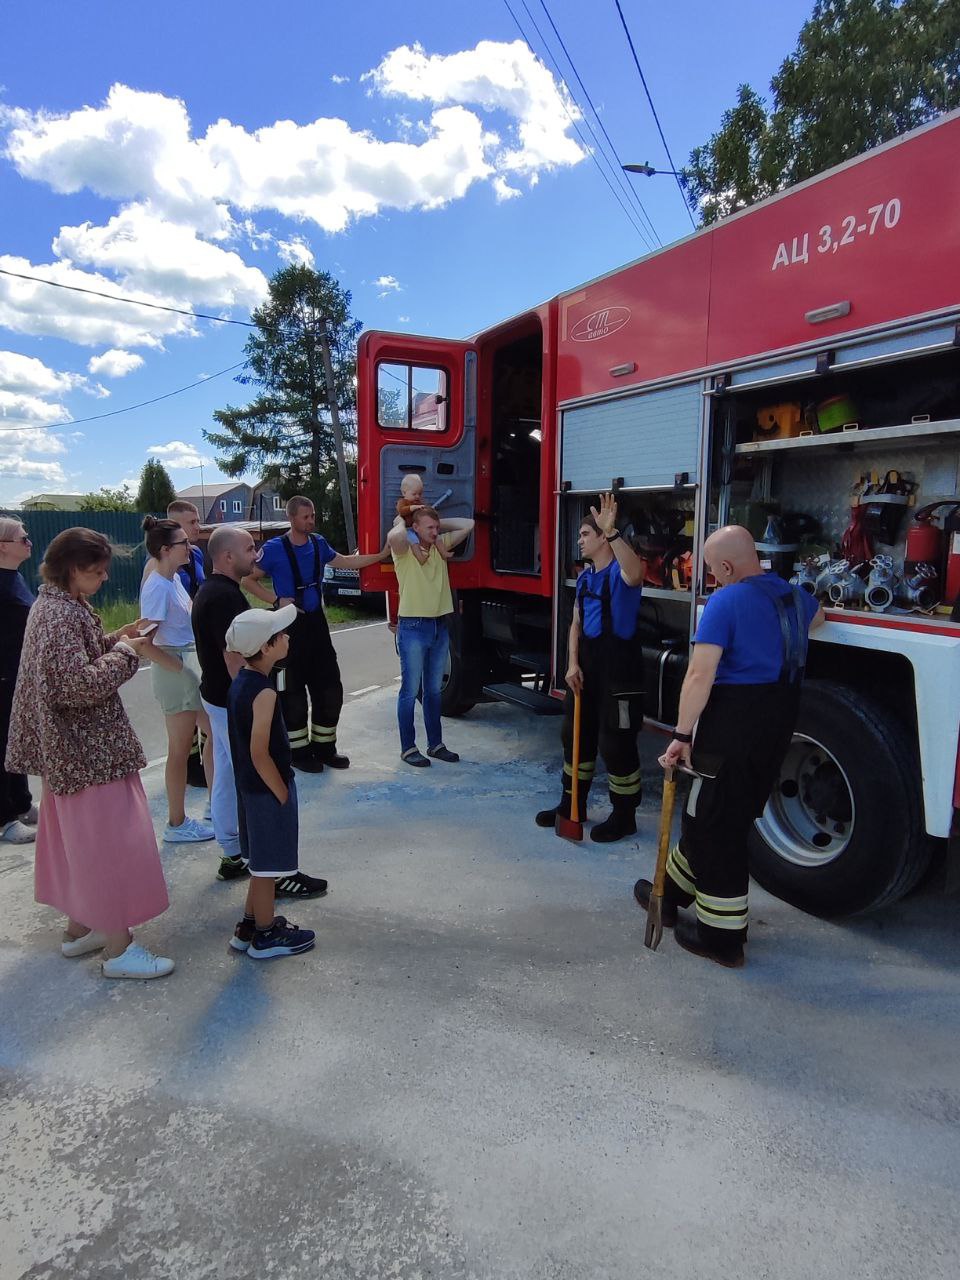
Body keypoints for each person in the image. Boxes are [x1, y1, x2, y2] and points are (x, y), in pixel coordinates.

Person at [634, 525, 825, 968]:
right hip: (778, 724)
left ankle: (722, 937)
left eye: (710, 569)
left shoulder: (725, 601)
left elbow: (700, 675)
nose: (710, 577)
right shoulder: (794, 597)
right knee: (720, 812)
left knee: (714, 821)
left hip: (733, 724)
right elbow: (819, 620)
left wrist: (681, 735)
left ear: (724, 567)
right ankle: (673, 891)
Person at [5, 528, 173, 979]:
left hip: (71, 754)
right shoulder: (60, 613)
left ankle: (80, 929)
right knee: (110, 845)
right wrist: (126, 653)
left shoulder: (53, 605)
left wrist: (115, 638)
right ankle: (119, 949)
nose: (101, 577)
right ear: (68, 568)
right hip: (87, 753)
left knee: (79, 843)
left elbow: (71, 664)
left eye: (102, 570)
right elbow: (75, 685)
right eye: (93, 570)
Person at [192, 525, 326, 898]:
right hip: (228, 700)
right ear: (227, 556)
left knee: (226, 774)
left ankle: (234, 852)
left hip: (218, 697)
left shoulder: (217, 591)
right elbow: (233, 655)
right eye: (250, 549)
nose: (257, 555)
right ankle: (267, 866)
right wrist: (254, 696)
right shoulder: (223, 598)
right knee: (247, 780)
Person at [242, 495, 389, 773]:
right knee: (291, 692)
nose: (311, 521)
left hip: (317, 626)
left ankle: (325, 748)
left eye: (312, 516)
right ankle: (298, 752)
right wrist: (275, 600)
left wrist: (381, 556)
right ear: (292, 518)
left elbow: (345, 561)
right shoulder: (274, 549)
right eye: (305, 516)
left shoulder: (319, 543)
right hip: (287, 627)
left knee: (329, 687)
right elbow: (248, 579)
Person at [536, 493, 647, 842]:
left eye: (586, 534)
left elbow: (637, 571)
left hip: (620, 672)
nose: (580, 540)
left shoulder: (619, 574)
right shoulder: (584, 579)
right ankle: (572, 806)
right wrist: (571, 664)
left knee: (616, 744)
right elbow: (576, 623)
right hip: (586, 669)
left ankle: (625, 815)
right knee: (575, 738)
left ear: (602, 537)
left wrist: (614, 534)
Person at [225, 606, 319, 959]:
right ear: (266, 648)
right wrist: (281, 791)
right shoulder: (264, 693)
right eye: (280, 635)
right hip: (266, 790)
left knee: (259, 864)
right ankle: (265, 937)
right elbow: (259, 752)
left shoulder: (242, 682)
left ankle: (248, 925)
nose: (288, 637)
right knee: (267, 870)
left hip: (248, 790)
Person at [138, 516, 215, 844]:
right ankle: (177, 823)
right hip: (176, 671)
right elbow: (145, 644)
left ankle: (216, 804)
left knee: (216, 735)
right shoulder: (156, 585)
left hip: (187, 667)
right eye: (184, 542)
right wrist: (181, 669)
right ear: (166, 549)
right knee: (180, 749)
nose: (191, 546)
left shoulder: (173, 580)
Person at [387, 505, 475, 767]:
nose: (436, 532)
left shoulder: (439, 545)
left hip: (440, 625)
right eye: (430, 528)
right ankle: (408, 748)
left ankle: (435, 745)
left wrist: (434, 524)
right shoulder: (404, 551)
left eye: (437, 528)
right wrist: (405, 519)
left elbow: (468, 524)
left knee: (433, 691)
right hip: (413, 627)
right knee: (410, 690)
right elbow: (394, 537)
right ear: (415, 529)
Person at [0, 517, 38, 845]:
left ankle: (22, 803)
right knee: (2, 744)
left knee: (17, 740)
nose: (28, 543)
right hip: (3, 674)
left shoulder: (14, 577)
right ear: (3, 547)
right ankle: (5, 819)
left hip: (18, 673)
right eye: (22, 539)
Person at [394, 474, 452, 562]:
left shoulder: (419, 502)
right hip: (408, 529)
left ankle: (444, 553)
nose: (417, 496)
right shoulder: (402, 502)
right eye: (414, 494)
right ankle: (420, 557)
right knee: (414, 541)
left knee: (436, 536)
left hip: (418, 528)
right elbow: (401, 510)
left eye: (420, 494)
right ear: (404, 493)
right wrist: (413, 507)